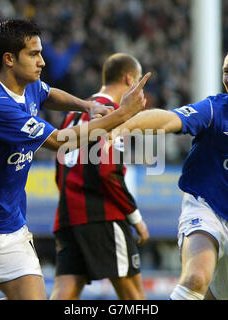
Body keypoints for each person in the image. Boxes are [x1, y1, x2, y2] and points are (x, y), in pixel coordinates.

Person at [0, 19, 150, 300]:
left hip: (8, 229)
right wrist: (122, 114)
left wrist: (86, 105)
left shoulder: (28, 85)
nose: (42, 61)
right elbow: (59, 142)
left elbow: (48, 93)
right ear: (9, 59)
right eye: (34, 54)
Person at [109, 39, 228, 300]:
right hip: (206, 206)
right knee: (195, 278)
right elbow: (169, 119)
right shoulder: (214, 109)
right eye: (226, 71)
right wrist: (123, 125)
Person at [50, 53, 150, 300]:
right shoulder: (113, 112)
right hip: (102, 216)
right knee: (133, 295)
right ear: (129, 79)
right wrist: (135, 216)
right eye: (137, 83)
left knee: (65, 293)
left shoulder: (74, 111)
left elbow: (59, 168)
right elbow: (107, 171)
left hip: (67, 217)